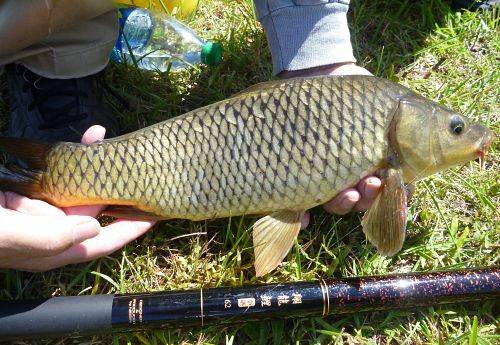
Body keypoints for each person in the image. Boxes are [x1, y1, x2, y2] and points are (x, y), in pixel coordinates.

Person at [11, 0, 494, 271]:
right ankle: (55, 157)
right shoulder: (385, 131)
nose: (464, 136)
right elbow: (386, 242)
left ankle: (61, 151)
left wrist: (318, 54)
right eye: (455, 128)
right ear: (407, 125)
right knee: (119, 173)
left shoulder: (383, 137)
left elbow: (383, 235)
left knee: (124, 175)